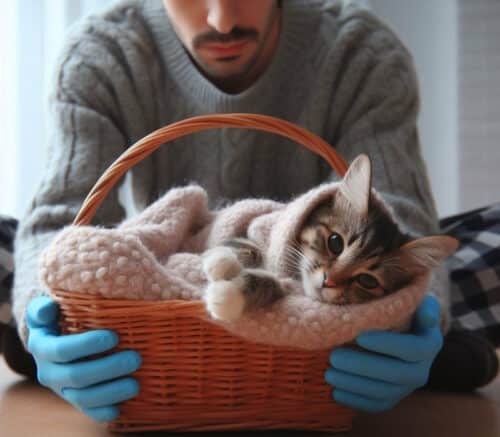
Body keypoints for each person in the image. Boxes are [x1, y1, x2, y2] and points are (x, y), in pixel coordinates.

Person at [9, 0, 498, 424]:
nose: (222, 20)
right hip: (175, 269)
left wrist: (418, 317)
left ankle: (438, 346)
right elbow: (59, 222)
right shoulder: (101, 54)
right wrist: (42, 328)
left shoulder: (361, 52)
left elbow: (404, 222)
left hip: (318, 291)